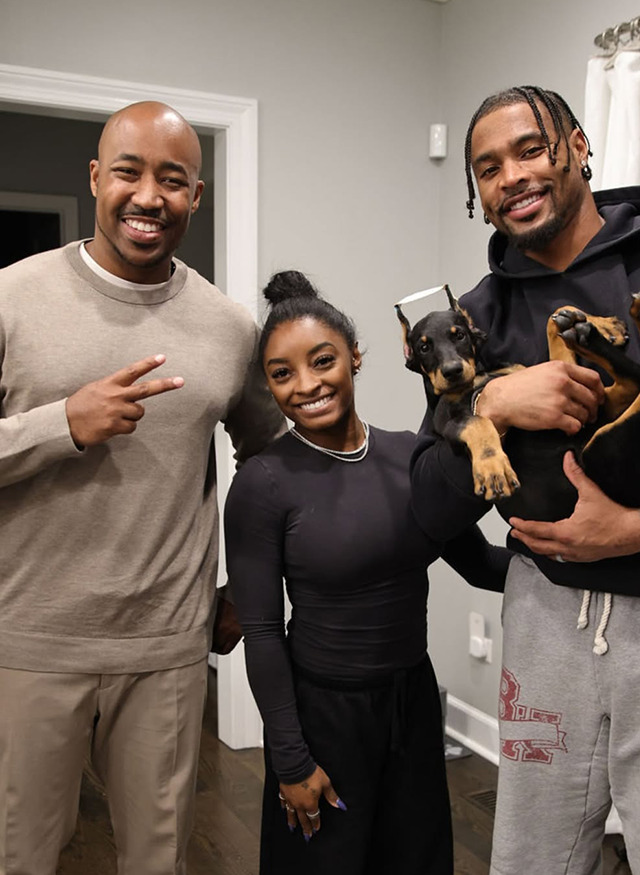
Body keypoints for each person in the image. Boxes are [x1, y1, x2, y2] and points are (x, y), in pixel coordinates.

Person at [410, 85, 640, 875]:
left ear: (576, 145)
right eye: (488, 167)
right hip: (545, 617)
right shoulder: (471, 318)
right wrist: (498, 401)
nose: (511, 176)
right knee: (532, 859)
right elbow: (432, 501)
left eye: (529, 150)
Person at [0, 101, 284, 875]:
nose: (149, 195)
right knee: (20, 857)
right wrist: (64, 421)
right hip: (29, 642)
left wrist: (248, 588)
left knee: (158, 861)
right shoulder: (12, 296)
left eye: (174, 179)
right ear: (96, 178)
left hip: (166, 643)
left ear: (196, 194)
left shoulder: (228, 326)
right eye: (129, 171)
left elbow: (272, 463)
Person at [223, 270, 509, 875]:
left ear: (356, 356)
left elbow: (481, 563)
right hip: (323, 716)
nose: (306, 385)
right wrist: (291, 759)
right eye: (282, 374)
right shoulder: (263, 484)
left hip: (412, 702)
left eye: (322, 360)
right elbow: (264, 634)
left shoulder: (414, 454)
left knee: (417, 860)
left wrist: (579, 558)